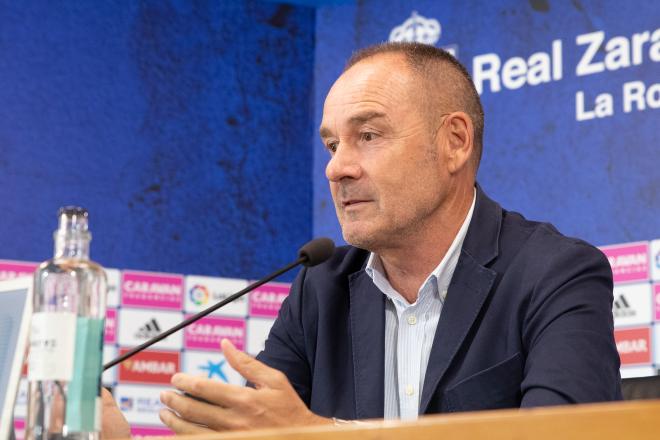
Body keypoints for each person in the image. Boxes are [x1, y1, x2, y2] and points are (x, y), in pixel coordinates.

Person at [102, 42, 622, 436]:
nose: (336, 168)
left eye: (367, 136)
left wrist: (320, 435)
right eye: (331, 144)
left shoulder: (557, 273)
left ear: (454, 142)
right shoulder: (321, 287)